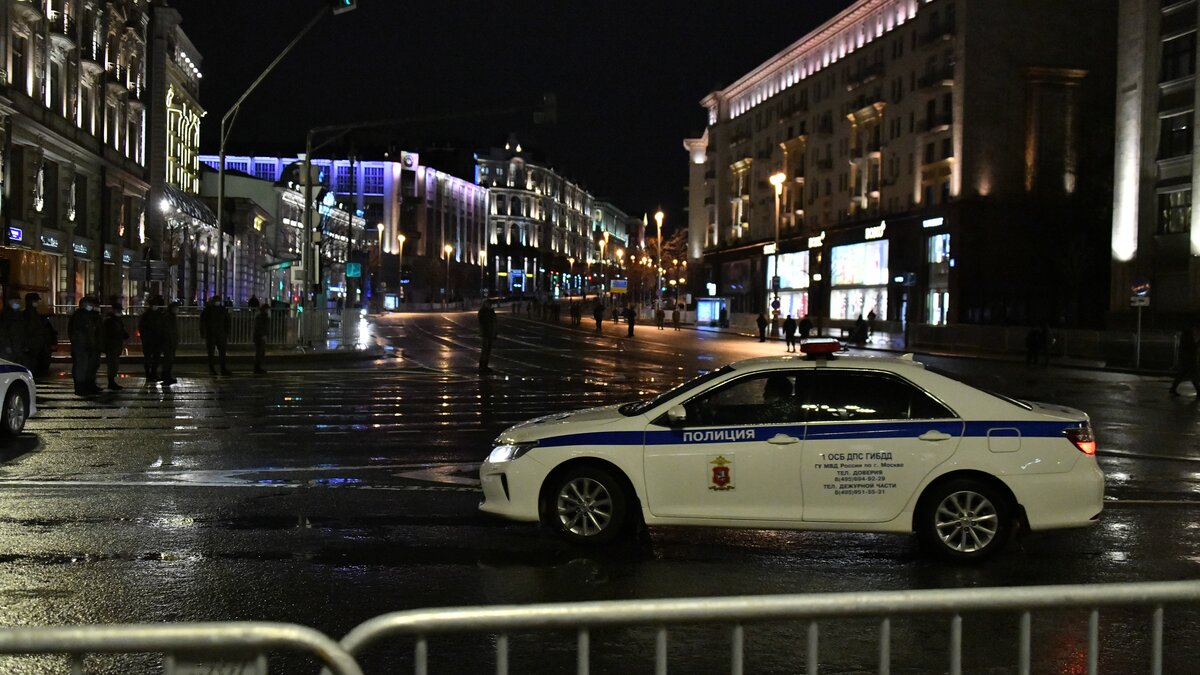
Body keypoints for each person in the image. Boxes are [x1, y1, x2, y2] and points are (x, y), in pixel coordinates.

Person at [68, 296, 102, 396]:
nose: (92, 306)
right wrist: (84, 344)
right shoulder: (79, 316)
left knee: (88, 367)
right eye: (90, 304)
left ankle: (87, 386)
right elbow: (78, 334)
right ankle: (80, 387)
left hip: (88, 346)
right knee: (81, 367)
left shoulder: (88, 316)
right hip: (81, 347)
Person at [22, 293, 55, 377]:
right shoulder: (26, 316)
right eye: (35, 301)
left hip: (38, 345)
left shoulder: (37, 315)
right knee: (31, 366)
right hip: (31, 346)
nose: (36, 303)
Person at [200, 295, 232, 376]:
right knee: (212, 353)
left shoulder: (221, 310)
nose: (218, 302)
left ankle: (222, 368)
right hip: (212, 334)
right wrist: (203, 332)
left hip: (220, 334)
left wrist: (227, 332)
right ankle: (213, 369)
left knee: (222, 352)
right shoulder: (209, 310)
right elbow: (203, 322)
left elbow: (227, 321)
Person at [101, 302, 129, 390]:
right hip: (111, 345)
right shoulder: (110, 320)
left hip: (115, 344)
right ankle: (111, 382)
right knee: (112, 364)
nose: (119, 312)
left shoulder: (116, 320)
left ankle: (112, 381)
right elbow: (110, 333)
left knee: (114, 364)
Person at [139, 296, 163, 382]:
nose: (154, 306)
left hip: (157, 341)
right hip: (148, 341)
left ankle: (153, 374)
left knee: (156, 359)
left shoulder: (159, 314)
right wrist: (144, 338)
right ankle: (148, 375)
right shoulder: (146, 315)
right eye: (153, 305)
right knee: (148, 359)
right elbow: (141, 328)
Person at [1171, 327, 1200, 396]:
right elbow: (1192, 347)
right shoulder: (1188, 338)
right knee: (1193, 375)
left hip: (1186, 359)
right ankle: (1198, 391)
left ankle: (1173, 388)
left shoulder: (1185, 337)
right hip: (1189, 360)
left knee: (1182, 375)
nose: (1196, 332)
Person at [0, 294, 26, 367]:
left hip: (18, 344)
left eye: (18, 301)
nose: (17, 303)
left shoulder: (19, 313)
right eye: (15, 301)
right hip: (10, 345)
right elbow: (3, 331)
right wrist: (7, 345)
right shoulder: (5, 314)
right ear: (9, 301)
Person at [159, 301, 180, 386]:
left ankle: (166, 376)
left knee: (169, 360)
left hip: (171, 342)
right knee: (168, 360)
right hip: (168, 343)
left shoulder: (171, 317)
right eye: (176, 308)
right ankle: (166, 377)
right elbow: (167, 331)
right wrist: (170, 341)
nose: (177, 310)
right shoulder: (168, 317)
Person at [478, 298, 497, 372]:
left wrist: (495, 332)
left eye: (490, 304)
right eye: (488, 304)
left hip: (490, 332)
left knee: (488, 350)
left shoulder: (491, 311)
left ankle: (485, 365)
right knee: (485, 350)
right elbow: (482, 322)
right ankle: (482, 365)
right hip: (485, 333)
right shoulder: (483, 311)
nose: (489, 305)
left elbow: (494, 322)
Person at [253, 304, 270, 374]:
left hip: (259, 336)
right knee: (259, 352)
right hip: (259, 337)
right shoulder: (261, 317)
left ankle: (257, 367)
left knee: (260, 352)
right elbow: (260, 327)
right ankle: (257, 368)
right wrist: (263, 335)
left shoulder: (262, 316)